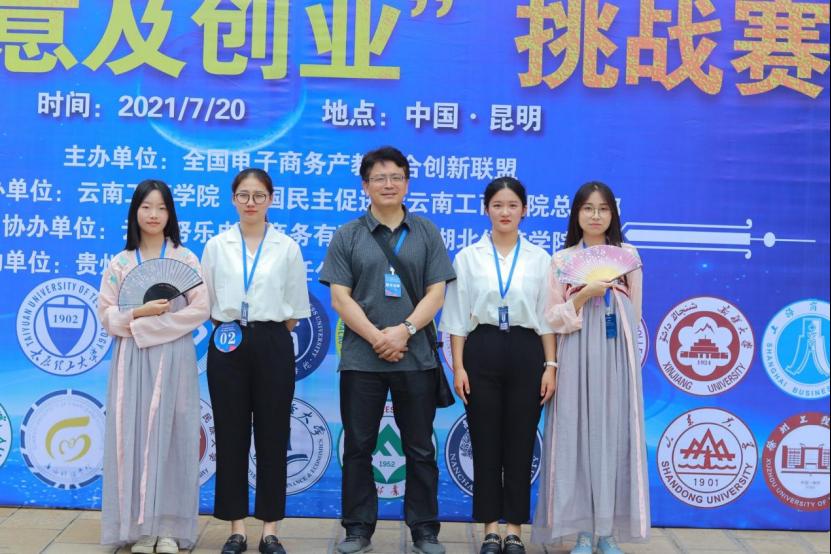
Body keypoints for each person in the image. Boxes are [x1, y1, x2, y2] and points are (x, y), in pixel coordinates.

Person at [320, 146, 455, 554]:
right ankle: (358, 529)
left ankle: (424, 530)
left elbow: (436, 293)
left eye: (396, 177)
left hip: (415, 358)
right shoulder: (348, 234)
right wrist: (378, 337)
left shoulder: (426, 232)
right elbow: (340, 298)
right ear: (365, 185)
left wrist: (404, 331)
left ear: (407, 183)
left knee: (420, 447)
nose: (388, 184)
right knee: (359, 446)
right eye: (379, 178)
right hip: (362, 359)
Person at [531, 182, 650, 554]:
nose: (595, 215)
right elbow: (552, 317)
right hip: (576, 352)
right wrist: (583, 295)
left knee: (614, 436)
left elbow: (636, 313)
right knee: (577, 437)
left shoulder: (628, 256)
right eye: (587, 208)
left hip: (616, 355)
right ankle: (582, 530)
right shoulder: (562, 260)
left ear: (613, 214)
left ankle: (607, 532)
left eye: (603, 209)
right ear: (576, 214)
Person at [440, 177, 557, 554]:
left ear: (525, 210)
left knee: (521, 444)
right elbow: (456, 317)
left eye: (512, 205)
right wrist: (458, 367)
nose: (505, 212)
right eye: (497, 205)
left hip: (527, 350)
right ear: (486, 209)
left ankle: (514, 530)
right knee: (485, 441)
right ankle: (491, 528)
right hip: (482, 348)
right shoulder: (468, 257)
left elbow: (547, 318)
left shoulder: (540, 258)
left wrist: (550, 365)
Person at [201, 168, 311, 554]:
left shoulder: (287, 247)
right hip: (228, 340)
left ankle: (269, 529)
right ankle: (236, 529)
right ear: (233, 199)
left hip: (272, 340)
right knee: (231, 434)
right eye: (244, 195)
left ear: (271, 199)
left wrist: (264, 330)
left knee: (273, 435)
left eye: (259, 196)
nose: (251, 203)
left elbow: (295, 309)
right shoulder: (217, 246)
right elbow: (208, 303)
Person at [99, 179, 210, 553]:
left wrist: (149, 327)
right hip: (131, 359)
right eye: (146, 207)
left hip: (174, 355)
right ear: (135, 212)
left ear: (170, 214)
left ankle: (169, 528)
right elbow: (107, 315)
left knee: (174, 436)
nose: (153, 214)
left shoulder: (185, 259)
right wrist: (138, 313)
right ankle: (140, 529)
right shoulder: (120, 263)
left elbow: (200, 309)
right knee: (131, 435)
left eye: (161, 208)